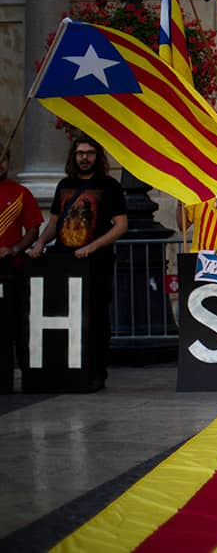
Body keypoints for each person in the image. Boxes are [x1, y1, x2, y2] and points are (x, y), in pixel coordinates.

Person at [26, 136, 128, 392]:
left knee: (95, 319)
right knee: (65, 316)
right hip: (63, 264)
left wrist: (92, 246)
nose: (85, 158)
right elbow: (54, 223)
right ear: (73, 156)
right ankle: (66, 371)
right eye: (80, 153)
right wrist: (40, 244)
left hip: (97, 264)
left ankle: (96, 373)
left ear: (98, 157)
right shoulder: (64, 185)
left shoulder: (110, 186)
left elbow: (121, 225)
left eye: (90, 153)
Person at [0, 148, 44, 381]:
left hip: (12, 270)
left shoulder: (20, 193)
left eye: (3, 159)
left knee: (16, 323)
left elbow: (34, 228)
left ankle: (18, 375)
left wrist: (15, 249)